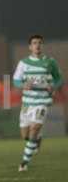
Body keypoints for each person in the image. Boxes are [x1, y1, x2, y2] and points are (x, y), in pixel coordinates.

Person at [13, 35, 63, 172]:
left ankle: (24, 163)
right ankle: (38, 139)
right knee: (25, 135)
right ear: (30, 47)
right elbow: (16, 81)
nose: (37, 45)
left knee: (34, 128)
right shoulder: (23, 63)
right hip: (27, 102)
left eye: (40, 43)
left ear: (42, 45)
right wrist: (23, 85)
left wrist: (53, 86)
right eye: (34, 43)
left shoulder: (50, 62)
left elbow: (59, 79)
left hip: (42, 101)